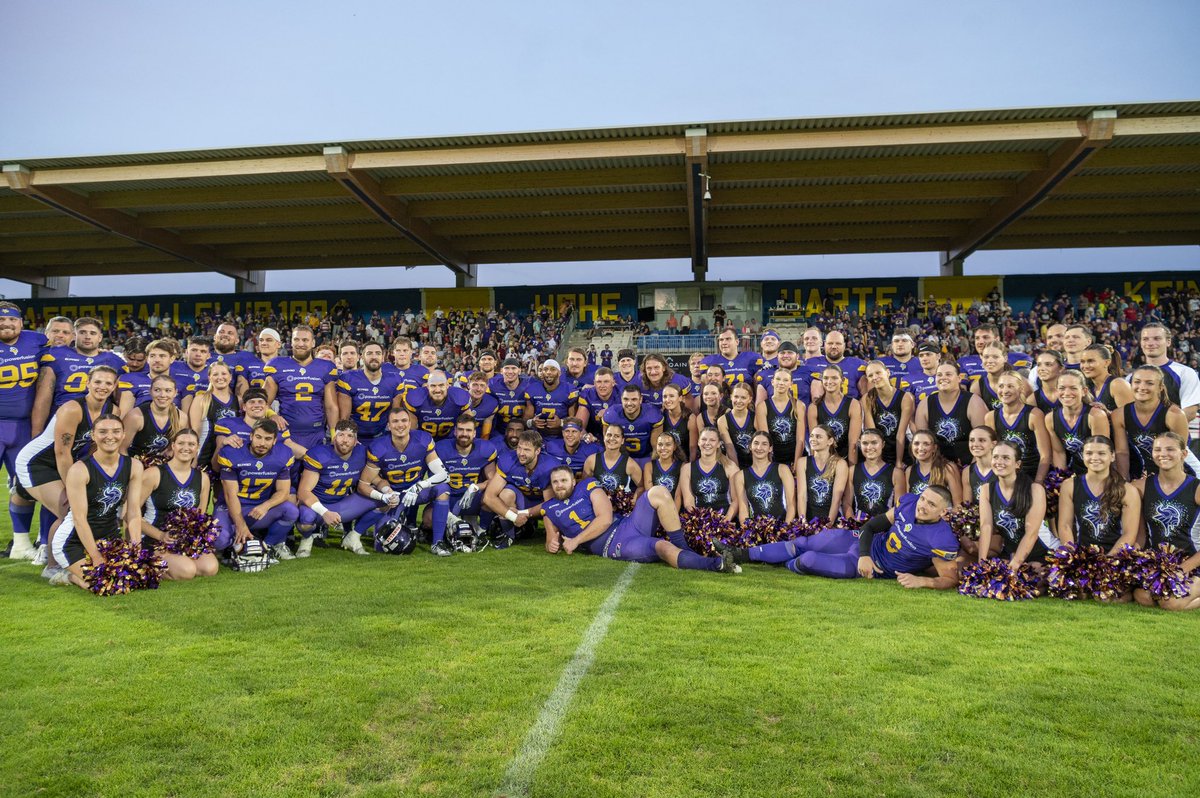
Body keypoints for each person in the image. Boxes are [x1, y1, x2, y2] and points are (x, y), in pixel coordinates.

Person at [735, 486, 959, 590]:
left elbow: (949, 579)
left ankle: (782, 562)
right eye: (923, 499)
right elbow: (871, 527)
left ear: (943, 512)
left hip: (873, 567)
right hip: (862, 544)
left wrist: (922, 581)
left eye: (931, 504)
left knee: (808, 559)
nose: (922, 506)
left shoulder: (941, 539)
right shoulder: (909, 503)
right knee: (802, 543)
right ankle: (738, 554)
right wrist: (864, 554)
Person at [16, 365, 119, 568]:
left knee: (84, 509)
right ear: (88, 383)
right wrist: (74, 488)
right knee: (70, 512)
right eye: (97, 381)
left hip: (66, 461)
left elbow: (93, 447)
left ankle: (78, 557)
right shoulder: (72, 409)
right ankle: (51, 566)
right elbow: (61, 452)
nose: (102, 386)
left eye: (108, 383)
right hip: (38, 463)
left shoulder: (113, 411)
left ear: (114, 386)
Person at [542, 466, 738, 572]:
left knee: (658, 492)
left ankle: (685, 549)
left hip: (626, 524)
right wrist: (552, 545)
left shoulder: (587, 486)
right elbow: (550, 541)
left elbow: (605, 519)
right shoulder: (549, 509)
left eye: (563, 480)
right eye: (555, 482)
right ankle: (718, 565)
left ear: (573, 481)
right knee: (662, 546)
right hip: (614, 545)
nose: (559, 485)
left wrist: (576, 540)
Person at [49, 413, 143, 589]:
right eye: (103, 431)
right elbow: (79, 518)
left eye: (116, 431)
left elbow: (133, 512)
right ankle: (69, 576)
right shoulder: (79, 470)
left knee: (132, 578)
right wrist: (96, 556)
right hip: (73, 541)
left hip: (109, 537)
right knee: (106, 584)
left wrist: (136, 548)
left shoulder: (134, 466)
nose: (110, 436)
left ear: (123, 434)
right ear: (93, 435)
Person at [1056, 436, 1141, 599]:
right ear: (1083, 456)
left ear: (1112, 456)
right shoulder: (1070, 485)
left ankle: (1127, 591)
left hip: (1115, 556)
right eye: (1089, 453)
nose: (1095, 458)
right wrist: (1072, 558)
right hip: (1083, 556)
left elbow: (1129, 534)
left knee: (1105, 597)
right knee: (1077, 593)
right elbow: (1065, 526)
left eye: (1101, 453)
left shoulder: (1127, 490)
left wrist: (1107, 561)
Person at [356, 407, 450, 550]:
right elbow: (363, 484)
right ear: (388, 426)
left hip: (416, 493)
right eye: (395, 421)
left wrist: (419, 486)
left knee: (442, 488)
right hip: (394, 497)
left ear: (410, 423)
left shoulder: (422, 440)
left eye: (404, 420)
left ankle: (437, 543)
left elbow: (444, 475)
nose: (400, 425)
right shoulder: (378, 447)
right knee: (382, 545)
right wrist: (385, 496)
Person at [0, 301, 49, 559]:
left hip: (24, 427)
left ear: (21, 322)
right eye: (1, 320)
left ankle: (21, 545)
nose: (7, 324)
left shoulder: (36, 341)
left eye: (12, 320)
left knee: (26, 486)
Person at [214, 418, 300, 561]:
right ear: (251, 436)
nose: (262, 443)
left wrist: (266, 505)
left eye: (268, 439)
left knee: (291, 511)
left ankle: (267, 546)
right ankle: (234, 543)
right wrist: (240, 524)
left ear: (274, 441)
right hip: (230, 508)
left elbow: (283, 492)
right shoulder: (232, 453)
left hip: (258, 509)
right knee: (219, 541)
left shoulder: (283, 454)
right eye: (258, 437)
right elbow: (230, 495)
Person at [139, 428, 219, 580]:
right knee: (187, 570)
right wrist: (160, 535)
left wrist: (193, 541)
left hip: (184, 540)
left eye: (191, 444)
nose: (186, 448)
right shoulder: (154, 473)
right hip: (155, 539)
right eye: (181, 443)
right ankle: (148, 563)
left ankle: (177, 560)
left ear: (197, 448)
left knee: (210, 568)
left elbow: (200, 516)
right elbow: (130, 514)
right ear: (173, 446)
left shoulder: (203, 478)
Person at [1134, 432, 1200, 611]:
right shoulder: (1141, 487)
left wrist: (1183, 569)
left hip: (1193, 562)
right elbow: (1140, 536)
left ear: (1183, 454)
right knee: (1143, 597)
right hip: (1159, 563)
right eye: (1158, 449)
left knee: (1170, 602)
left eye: (1170, 449)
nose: (1163, 454)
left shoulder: (1196, 488)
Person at [296, 419, 377, 557]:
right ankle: (307, 539)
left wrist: (386, 491)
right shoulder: (319, 454)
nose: (345, 440)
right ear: (334, 438)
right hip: (316, 507)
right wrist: (325, 512)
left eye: (350, 436)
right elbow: (303, 492)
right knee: (306, 521)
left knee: (384, 501)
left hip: (341, 505)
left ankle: (353, 536)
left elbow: (374, 478)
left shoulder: (362, 453)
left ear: (356, 441)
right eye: (341, 435)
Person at [31, 317, 124, 436]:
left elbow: (122, 397)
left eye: (92, 333)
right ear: (74, 335)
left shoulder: (114, 360)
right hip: (62, 416)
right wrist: (37, 431)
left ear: (100, 337)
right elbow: (43, 398)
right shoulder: (57, 355)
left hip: (99, 419)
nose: (87, 337)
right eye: (82, 332)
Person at [977, 441, 1056, 569]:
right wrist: (981, 564)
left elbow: (1031, 533)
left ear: (1017, 464)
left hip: (1043, 551)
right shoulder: (986, 489)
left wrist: (1014, 567)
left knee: (1034, 574)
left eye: (1006, 458)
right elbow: (986, 526)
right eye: (995, 457)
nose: (999, 462)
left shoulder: (1035, 489)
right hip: (1012, 553)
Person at [264, 325, 339, 450]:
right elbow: (263, 401)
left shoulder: (326, 367)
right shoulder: (278, 365)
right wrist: (272, 415)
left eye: (305, 340)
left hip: (316, 433)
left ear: (313, 343)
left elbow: (331, 406)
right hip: (287, 433)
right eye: (296, 340)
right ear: (291, 342)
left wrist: (333, 434)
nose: (300, 344)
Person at [433, 414, 499, 555]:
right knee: (428, 519)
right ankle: (448, 528)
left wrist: (476, 487)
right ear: (455, 431)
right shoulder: (441, 448)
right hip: (449, 498)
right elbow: (434, 480)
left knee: (491, 498)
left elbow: (493, 481)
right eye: (461, 430)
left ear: (474, 433)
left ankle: (481, 531)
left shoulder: (485, 449)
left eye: (468, 430)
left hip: (473, 498)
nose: (464, 434)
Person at [1113, 365, 1193, 480]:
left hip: (1174, 474)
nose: (1142, 387)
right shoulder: (1119, 414)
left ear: (1160, 387)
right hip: (1140, 473)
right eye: (1137, 382)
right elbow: (1122, 452)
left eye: (1149, 383)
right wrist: (1124, 481)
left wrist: (1157, 483)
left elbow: (1178, 455)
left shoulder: (1174, 415)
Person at [482, 430, 558, 548]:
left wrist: (522, 513)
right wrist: (513, 516)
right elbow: (489, 497)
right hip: (522, 501)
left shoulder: (549, 466)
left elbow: (550, 504)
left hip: (542, 503)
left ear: (537, 451)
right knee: (506, 494)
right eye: (519, 448)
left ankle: (547, 533)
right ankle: (509, 535)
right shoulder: (508, 460)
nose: (521, 453)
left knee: (553, 507)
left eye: (527, 450)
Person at [914, 361, 987, 466]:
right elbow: (922, 443)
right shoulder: (925, 404)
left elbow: (984, 441)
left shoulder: (973, 402)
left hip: (969, 463)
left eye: (948, 374)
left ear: (959, 378)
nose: (943, 378)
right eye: (939, 375)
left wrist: (972, 469)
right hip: (937, 466)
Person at [985, 372, 1050, 483]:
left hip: (1031, 474)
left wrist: (1038, 483)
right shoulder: (990, 417)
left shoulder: (1034, 415)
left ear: (1021, 389)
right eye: (1001, 386)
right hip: (1004, 474)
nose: (1005, 390)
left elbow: (1045, 455)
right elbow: (990, 454)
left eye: (1010, 386)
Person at [336, 341, 404, 442]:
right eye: (369, 353)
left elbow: (395, 415)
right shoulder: (348, 379)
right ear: (362, 357)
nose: (374, 356)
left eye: (378, 353)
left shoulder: (395, 380)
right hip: (355, 436)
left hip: (382, 435)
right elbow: (344, 418)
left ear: (383, 357)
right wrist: (348, 438)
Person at [1046, 371, 1110, 476]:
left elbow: (1101, 453)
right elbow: (1059, 453)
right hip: (1075, 472)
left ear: (1084, 391)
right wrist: (1061, 478)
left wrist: (1087, 482)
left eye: (1073, 388)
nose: (1067, 393)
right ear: (1056, 391)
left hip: (1100, 471)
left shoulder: (1095, 416)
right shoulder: (1050, 418)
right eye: (1062, 388)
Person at [1135, 322, 1200, 423]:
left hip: (1172, 432)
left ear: (1168, 342)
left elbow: (1190, 412)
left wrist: (1154, 428)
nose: (1150, 343)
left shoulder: (1185, 373)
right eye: (1145, 339)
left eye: (1157, 338)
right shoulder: (1131, 377)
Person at [187, 361, 241, 469]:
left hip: (229, 457)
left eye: (224, 374)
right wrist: (193, 458)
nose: (220, 377)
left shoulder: (238, 400)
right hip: (204, 457)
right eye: (215, 374)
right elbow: (194, 431)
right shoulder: (201, 399)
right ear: (209, 378)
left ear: (230, 377)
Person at [680, 426, 738, 523]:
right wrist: (700, 523)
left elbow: (736, 500)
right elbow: (688, 502)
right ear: (698, 442)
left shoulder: (730, 466)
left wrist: (726, 520)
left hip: (725, 520)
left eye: (712, 440)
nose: (707, 443)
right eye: (704, 439)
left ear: (718, 444)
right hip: (699, 521)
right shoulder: (687, 469)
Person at [736, 431, 795, 523]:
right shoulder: (740, 476)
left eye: (764, 444)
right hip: (756, 529)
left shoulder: (782, 469)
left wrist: (785, 528)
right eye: (756, 443)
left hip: (782, 525)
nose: (759, 447)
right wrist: (748, 529)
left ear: (770, 448)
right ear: (750, 447)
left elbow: (791, 505)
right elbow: (743, 510)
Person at [845, 428, 904, 519]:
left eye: (874, 443)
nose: (869, 447)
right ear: (860, 444)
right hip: (859, 525)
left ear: (883, 444)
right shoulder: (852, 471)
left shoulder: (896, 473)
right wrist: (852, 522)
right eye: (865, 443)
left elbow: (899, 507)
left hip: (884, 525)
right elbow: (847, 503)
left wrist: (878, 524)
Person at [121, 375, 182, 464]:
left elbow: (172, 450)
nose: (162, 395)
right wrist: (133, 469)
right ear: (150, 391)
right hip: (134, 464)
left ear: (175, 393)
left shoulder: (181, 418)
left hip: (161, 466)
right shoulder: (135, 416)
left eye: (168, 391)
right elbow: (121, 450)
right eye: (157, 390)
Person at [861, 360, 912, 465]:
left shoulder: (905, 398)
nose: (875, 377)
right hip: (879, 451)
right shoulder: (867, 398)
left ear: (888, 372)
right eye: (870, 375)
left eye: (878, 373)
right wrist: (878, 462)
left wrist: (898, 462)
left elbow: (901, 434)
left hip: (902, 449)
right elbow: (873, 434)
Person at [807, 365, 861, 462]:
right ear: (822, 381)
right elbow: (814, 443)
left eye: (834, 378)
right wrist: (817, 466)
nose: (829, 381)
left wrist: (852, 467)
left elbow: (853, 443)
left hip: (846, 458)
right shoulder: (814, 407)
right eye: (826, 378)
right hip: (824, 460)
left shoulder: (853, 404)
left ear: (842, 380)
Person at [795, 425, 847, 524]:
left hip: (831, 520)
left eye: (818, 437)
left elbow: (836, 499)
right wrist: (803, 522)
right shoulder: (802, 462)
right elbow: (802, 496)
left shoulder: (840, 463)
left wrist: (829, 523)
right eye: (811, 436)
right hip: (809, 520)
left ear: (830, 441)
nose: (813, 439)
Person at [755, 368, 803, 465]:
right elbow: (765, 439)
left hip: (793, 457)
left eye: (785, 380)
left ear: (791, 384)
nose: (781, 383)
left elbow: (800, 439)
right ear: (772, 382)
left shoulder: (798, 405)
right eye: (778, 379)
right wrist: (770, 463)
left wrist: (797, 462)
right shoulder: (763, 406)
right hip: (774, 458)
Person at [405, 371, 470, 441]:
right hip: (423, 440)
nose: (437, 390)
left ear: (447, 385)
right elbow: (412, 432)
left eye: (441, 385)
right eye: (433, 386)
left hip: (450, 441)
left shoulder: (460, 397)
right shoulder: (416, 398)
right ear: (427, 386)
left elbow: (468, 429)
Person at [602, 383, 663, 458]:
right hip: (620, 458)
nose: (629, 403)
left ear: (640, 399)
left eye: (634, 399)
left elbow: (656, 449)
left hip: (646, 457)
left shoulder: (652, 415)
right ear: (621, 399)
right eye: (626, 399)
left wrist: (651, 464)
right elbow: (608, 444)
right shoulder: (612, 414)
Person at [118, 338, 177, 413]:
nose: (134, 364)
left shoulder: (180, 377)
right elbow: (123, 411)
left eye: (140, 360)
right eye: (131, 359)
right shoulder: (124, 374)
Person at [523, 359, 578, 440]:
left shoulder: (569, 390)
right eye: (545, 369)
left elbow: (575, 421)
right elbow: (526, 420)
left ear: (559, 373)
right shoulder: (533, 389)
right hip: (538, 436)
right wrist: (532, 422)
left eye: (553, 369)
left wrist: (561, 423)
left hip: (562, 437)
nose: (548, 372)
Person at [906, 429, 963, 506]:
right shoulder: (909, 470)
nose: (920, 448)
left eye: (926, 444)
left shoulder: (947, 468)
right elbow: (907, 503)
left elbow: (958, 505)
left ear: (934, 448)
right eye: (916, 443)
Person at [805, 330, 866, 401]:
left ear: (844, 346)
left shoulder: (857, 364)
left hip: (850, 405)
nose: (834, 346)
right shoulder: (811, 363)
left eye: (838, 343)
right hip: (820, 405)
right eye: (830, 343)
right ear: (824, 345)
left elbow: (867, 394)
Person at [584, 424, 642, 494]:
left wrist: (633, 499)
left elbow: (642, 487)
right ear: (604, 438)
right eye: (609, 435)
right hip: (596, 500)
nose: (612, 438)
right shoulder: (591, 460)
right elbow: (584, 486)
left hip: (619, 500)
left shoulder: (630, 464)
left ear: (622, 440)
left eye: (616, 436)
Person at [209, 321, 260, 398]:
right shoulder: (204, 356)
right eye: (221, 332)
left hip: (236, 401)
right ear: (215, 337)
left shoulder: (247, 357)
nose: (225, 335)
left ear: (237, 340)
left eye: (230, 333)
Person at [1080, 343, 1131, 412]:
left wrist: (1107, 413)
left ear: (1106, 362)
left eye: (1091, 361)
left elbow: (1132, 417)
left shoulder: (1118, 384)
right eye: (1082, 362)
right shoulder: (1087, 387)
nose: (1085, 366)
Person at [718, 382, 756, 469]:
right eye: (736, 397)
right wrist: (737, 471)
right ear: (731, 397)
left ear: (750, 399)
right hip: (735, 463)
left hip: (755, 463)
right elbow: (730, 448)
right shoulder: (722, 420)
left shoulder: (755, 417)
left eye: (743, 398)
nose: (739, 401)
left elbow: (762, 444)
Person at [489, 357, 530, 438]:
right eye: (507, 368)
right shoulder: (493, 386)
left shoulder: (529, 385)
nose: (510, 371)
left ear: (519, 370)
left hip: (522, 431)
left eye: (514, 368)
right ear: (501, 371)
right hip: (499, 431)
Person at [173, 336, 213, 410]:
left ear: (208, 356)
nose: (198, 354)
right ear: (186, 352)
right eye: (194, 350)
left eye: (203, 351)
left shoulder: (214, 372)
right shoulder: (172, 367)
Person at [689, 382, 727, 461]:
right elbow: (703, 444)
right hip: (708, 454)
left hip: (725, 455)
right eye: (706, 394)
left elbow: (729, 445)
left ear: (721, 396)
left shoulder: (727, 413)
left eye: (713, 393)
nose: (709, 396)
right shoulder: (700, 418)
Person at [643, 430, 684, 501]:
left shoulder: (682, 466)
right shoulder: (649, 466)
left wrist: (672, 509)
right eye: (660, 444)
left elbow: (678, 496)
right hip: (655, 505)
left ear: (674, 447)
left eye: (668, 445)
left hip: (675, 506)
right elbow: (650, 495)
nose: (663, 448)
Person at [961, 425, 998, 503]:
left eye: (981, 440)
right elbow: (967, 506)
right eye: (972, 440)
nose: (975, 444)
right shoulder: (967, 471)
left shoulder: (1002, 468)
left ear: (993, 444)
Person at [659, 383, 691, 458]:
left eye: (671, 396)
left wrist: (690, 464)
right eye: (665, 396)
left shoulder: (690, 418)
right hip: (666, 458)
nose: (667, 400)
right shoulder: (660, 416)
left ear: (680, 398)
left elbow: (692, 447)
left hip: (685, 460)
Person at [1028, 349, 1063, 414]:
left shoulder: (1070, 394)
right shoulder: (1032, 400)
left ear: (1061, 368)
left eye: (1048, 364)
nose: (1042, 369)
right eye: (1039, 365)